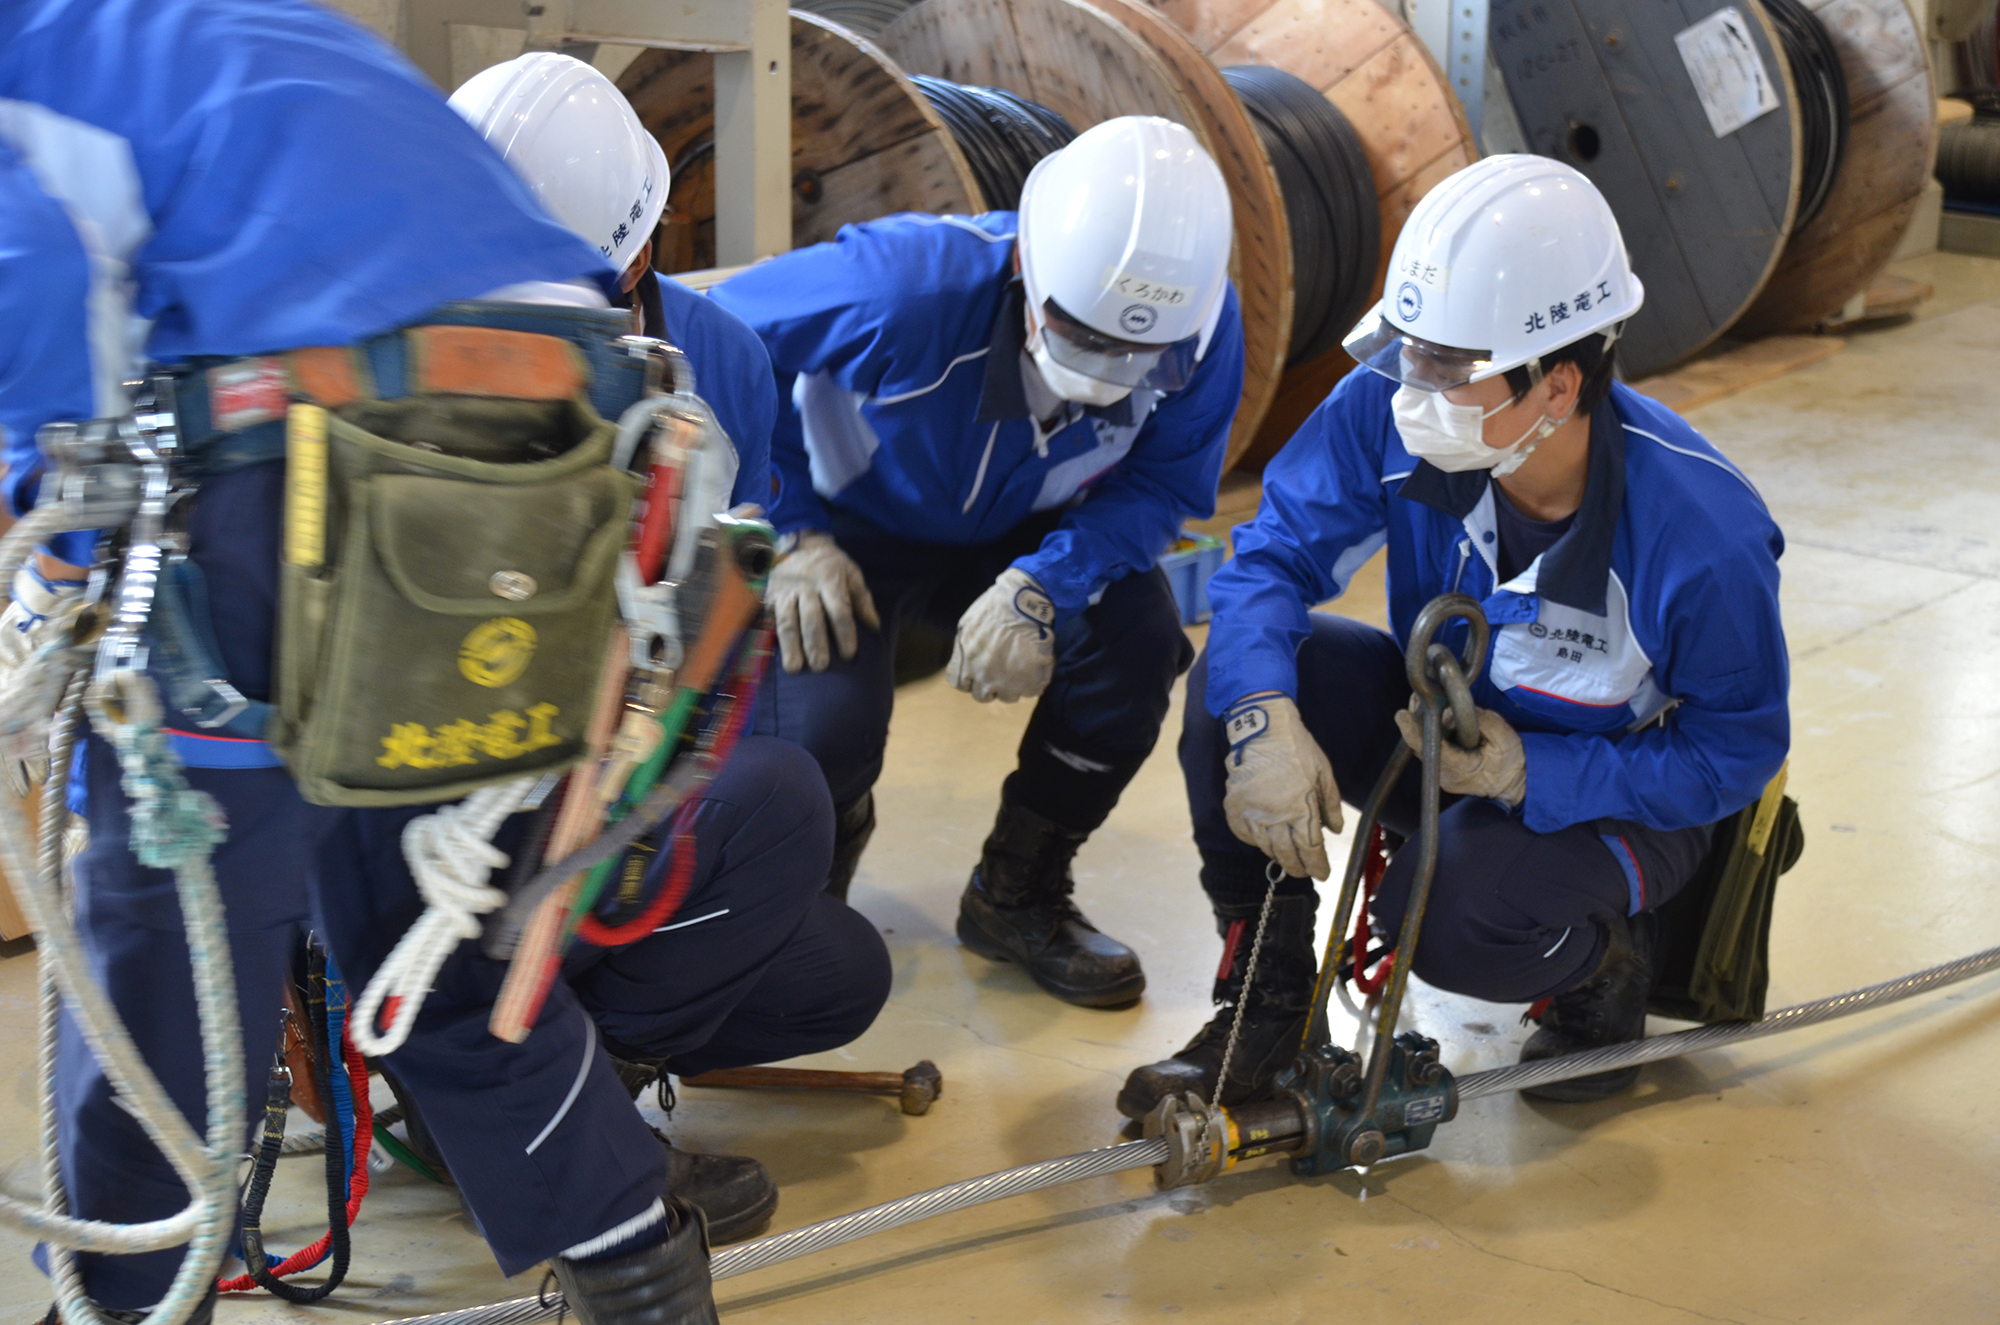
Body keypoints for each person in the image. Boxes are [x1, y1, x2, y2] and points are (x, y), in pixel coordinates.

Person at [0, 5, 855, 1322]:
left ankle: (120, 1302)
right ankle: (635, 1261)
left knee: (165, 942)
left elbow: (36, 277)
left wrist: (52, 567)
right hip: (535, 456)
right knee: (443, 941)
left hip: (299, 449)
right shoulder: (241, 35)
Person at [1119, 155, 1788, 1121]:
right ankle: (1262, 1002)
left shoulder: (1700, 537)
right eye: (1405, 354)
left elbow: (1734, 753)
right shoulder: (1396, 413)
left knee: (1446, 917)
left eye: (1444, 370)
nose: (1406, 391)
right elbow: (1270, 558)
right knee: (1240, 684)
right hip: (1447, 729)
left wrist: (1533, 777)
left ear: (1558, 388)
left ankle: (1603, 966)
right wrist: (1263, 715)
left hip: (1624, 792)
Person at [426, 51, 889, 1243]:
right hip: (442, 820)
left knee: (836, 967)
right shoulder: (402, 377)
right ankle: (516, 1111)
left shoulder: (719, 358)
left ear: (637, 259)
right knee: (781, 802)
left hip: (610, 784)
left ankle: (554, 1081)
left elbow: (732, 615)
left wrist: (724, 836)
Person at [712, 116, 1243, 1009]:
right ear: (1027, 266)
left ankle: (1017, 893)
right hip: (847, 530)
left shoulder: (1202, 329)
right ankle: (798, 910)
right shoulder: (900, 287)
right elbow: (719, 341)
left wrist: (1048, 583)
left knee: (1140, 642)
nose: (1109, 365)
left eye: (1135, 351)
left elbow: (1163, 486)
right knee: (819, 734)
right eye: (1080, 331)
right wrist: (787, 526)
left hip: (1030, 536)